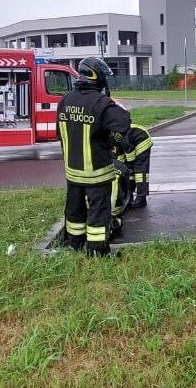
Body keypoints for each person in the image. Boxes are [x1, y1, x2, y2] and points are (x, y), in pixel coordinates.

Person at [58, 57, 131, 256]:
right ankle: (97, 252)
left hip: (72, 173)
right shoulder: (102, 103)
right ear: (96, 76)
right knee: (98, 213)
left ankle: (74, 244)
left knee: (75, 211)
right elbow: (123, 123)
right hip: (97, 174)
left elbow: (61, 134)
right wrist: (111, 142)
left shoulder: (65, 100)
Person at [117, 123, 153, 210]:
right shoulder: (109, 139)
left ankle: (141, 198)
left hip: (141, 139)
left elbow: (129, 150)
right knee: (128, 171)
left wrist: (130, 165)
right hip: (132, 142)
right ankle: (130, 196)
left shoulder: (116, 135)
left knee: (140, 170)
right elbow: (119, 156)